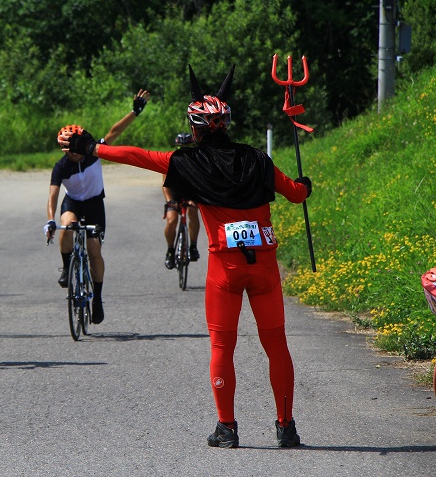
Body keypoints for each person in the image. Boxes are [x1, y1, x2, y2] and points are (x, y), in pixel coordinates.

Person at [60, 65, 311, 448]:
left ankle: (227, 428)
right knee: (276, 344)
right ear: (226, 124)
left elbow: (138, 156)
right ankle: (286, 427)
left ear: (194, 127)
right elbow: (295, 194)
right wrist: (305, 185)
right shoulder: (258, 159)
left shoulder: (185, 161)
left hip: (224, 269)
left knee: (222, 347)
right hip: (264, 267)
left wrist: (94, 148)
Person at [45, 90, 150, 325]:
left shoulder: (93, 154)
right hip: (72, 202)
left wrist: (134, 112)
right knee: (67, 225)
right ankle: (66, 267)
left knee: (94, 251)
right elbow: (52, 196)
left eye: (75, 145)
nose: (73, 150)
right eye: (68, 147)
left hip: (94, 204)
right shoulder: (60, 167)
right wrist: (50, 219)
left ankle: (98, 299)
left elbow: (114, 133)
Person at [163, 133, 201, 269]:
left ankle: (193, 246)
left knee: (192, 212)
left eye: (188, 147)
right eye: (181, 148)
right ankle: (170, 250)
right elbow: (165, 186)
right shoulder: (170, 160)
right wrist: (169, 201)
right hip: (174, 194)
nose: (184, 150)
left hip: (190, 193)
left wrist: (195, 199)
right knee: (172, 220)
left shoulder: (197, 161)